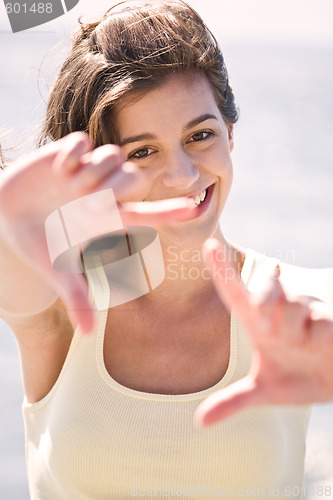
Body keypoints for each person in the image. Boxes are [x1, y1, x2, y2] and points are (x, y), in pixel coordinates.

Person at [0, 1, 332, 498]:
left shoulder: (287, 298)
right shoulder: (64, 301)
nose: (183, 176)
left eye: (200, 135)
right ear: (96, 172)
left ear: (231, 135)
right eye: (142, 151)